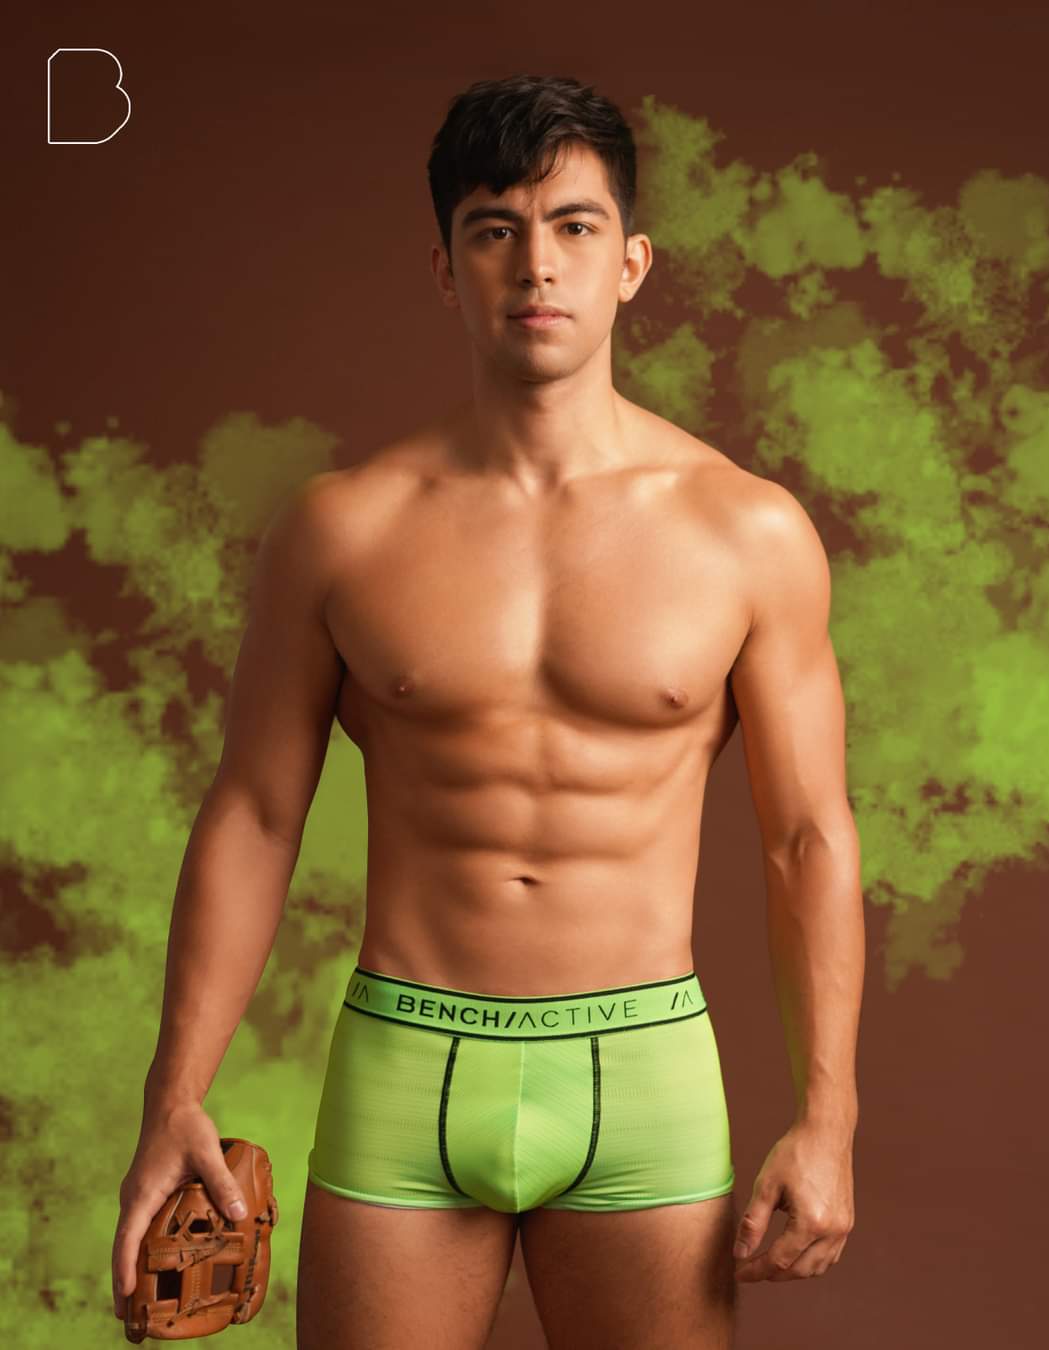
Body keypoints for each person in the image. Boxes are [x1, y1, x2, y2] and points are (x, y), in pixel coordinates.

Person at [112, 73, 863, 1349]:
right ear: (446, 269)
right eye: (494, 229)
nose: (537, 265)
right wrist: (172, 1093)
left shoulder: (747, 531)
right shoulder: (343, 530)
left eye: (573, 226)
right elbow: (253, 816)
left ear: (631, 263)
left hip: (643, 1073)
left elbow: (808, 836)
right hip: (405, 1065)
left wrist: (830, 1118)